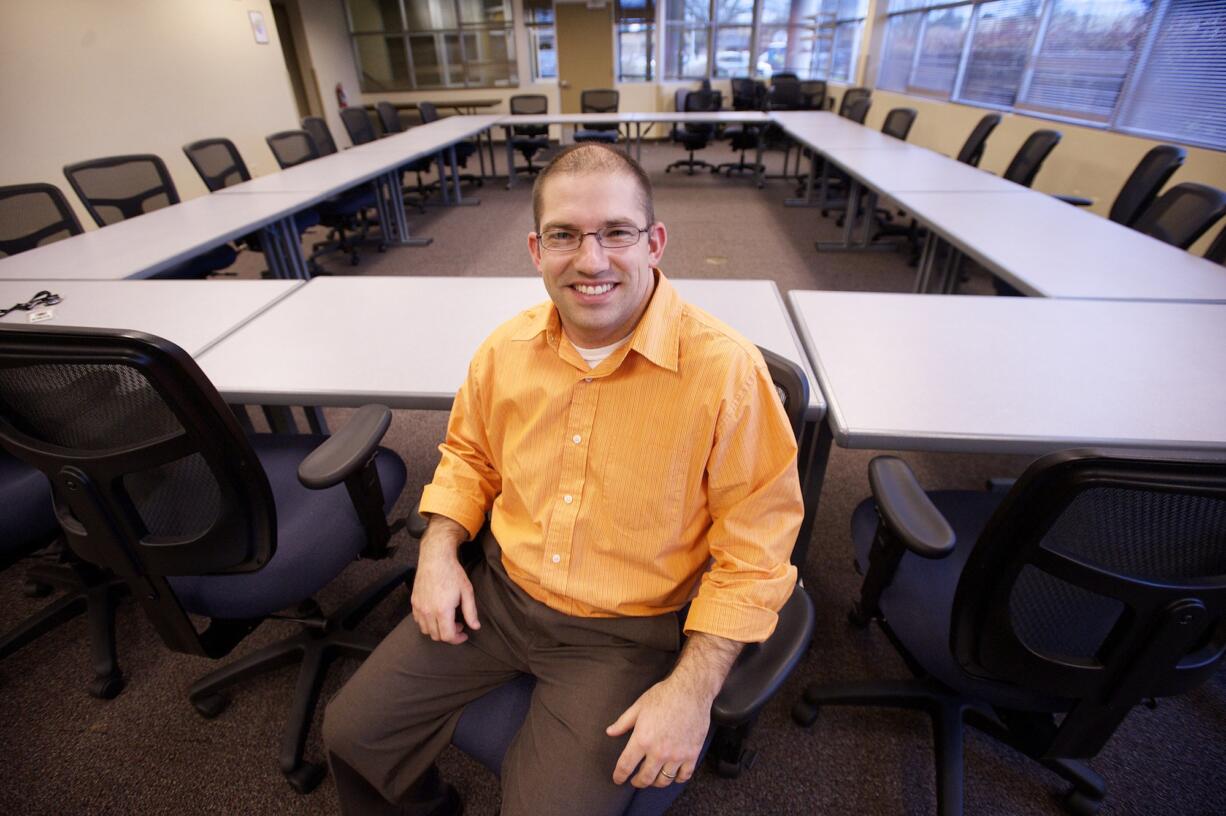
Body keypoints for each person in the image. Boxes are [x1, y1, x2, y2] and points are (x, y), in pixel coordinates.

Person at [322, 143, 803, 816]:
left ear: (655, 242)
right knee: (351, 735)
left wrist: (693, 690)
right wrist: (436, 551)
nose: (592, 259)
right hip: (500, 596)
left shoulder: (727, 375)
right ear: (535, 249)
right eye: (565, 236)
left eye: (616, 233)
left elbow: (756, 553)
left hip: (622, 635)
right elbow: (469, 456)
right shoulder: (505, 349)